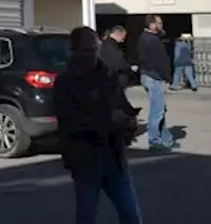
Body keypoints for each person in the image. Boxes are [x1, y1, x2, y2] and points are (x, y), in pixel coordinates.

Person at [54, 26, 144, 224]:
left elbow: (121, 104)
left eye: (94, 49)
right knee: (86, 215)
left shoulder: (107, 76)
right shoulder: (66, 83)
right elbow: (69, 123)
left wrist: (128, 121)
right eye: (87, 50)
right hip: (86, 159)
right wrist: (109, 122)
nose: (92, 55)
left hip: (114, 157)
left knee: (131, 214)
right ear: (75, 50)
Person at [136, 14, 175, 150]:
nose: (161, 26)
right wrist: (168, 78)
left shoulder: (143, 38)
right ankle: (154, 141)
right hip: (155, 77)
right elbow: (161, 61)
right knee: (157, 111)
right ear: (152, 25)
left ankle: (166, 138)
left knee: (159, 109)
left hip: (147, 75)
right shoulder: (153, 40)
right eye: (159, 23)